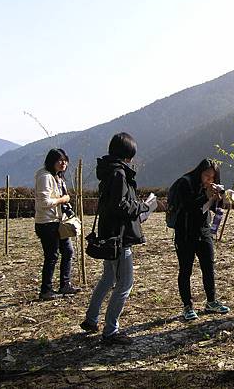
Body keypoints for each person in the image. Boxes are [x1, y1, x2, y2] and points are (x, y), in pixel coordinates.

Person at [80, 132, 150, 345]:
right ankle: (111, 331)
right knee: (125, 284)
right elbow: (120, 205)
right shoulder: (119, 173)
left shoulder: (108, 171)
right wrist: (143, 206)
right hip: (119, 238)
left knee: (108, 279)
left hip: (110, 234)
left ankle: (91, 319)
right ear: (127, 153)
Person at [171, 158, 230, 321]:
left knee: (208, 266)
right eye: (206, 176)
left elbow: (213, 209)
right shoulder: (186, 183)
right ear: (200, 172)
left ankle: (211, 302)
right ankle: (187, 306)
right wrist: (205, 195)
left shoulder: (210, 187)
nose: (209, 180)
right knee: (186, 269)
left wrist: (219, 199)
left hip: (204, 231)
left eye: (212, 178)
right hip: (185, 233)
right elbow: (189, 207)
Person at [35, 149, 82, 300]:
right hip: (47, 223)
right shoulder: (45, 177)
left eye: (65, 160)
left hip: (58, 222)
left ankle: (65, 285)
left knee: (68, 252)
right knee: (52, 256)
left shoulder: (57, 177)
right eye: (60, 160)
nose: (64, 163)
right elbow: (44, 203)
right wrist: (63, 200)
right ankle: (46, 290)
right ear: (52, 161)